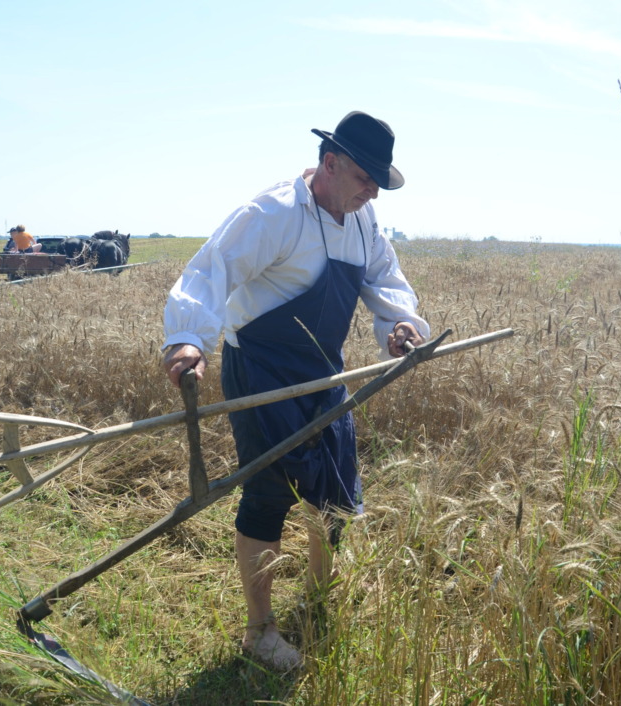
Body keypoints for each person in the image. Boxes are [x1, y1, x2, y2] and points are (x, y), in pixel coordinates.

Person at [161, 111, 429, 670]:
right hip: (260, 372)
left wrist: (403, 328)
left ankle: (318, 600)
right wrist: (188, 340)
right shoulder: (275, 213)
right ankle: (260, 631)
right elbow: (213, 268)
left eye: (379, 182)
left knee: (333, 495)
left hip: (323, 374)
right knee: (267, 497)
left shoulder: (363, 222)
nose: (372, 191)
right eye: (363, 178)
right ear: (329, 164)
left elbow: (384, 281)